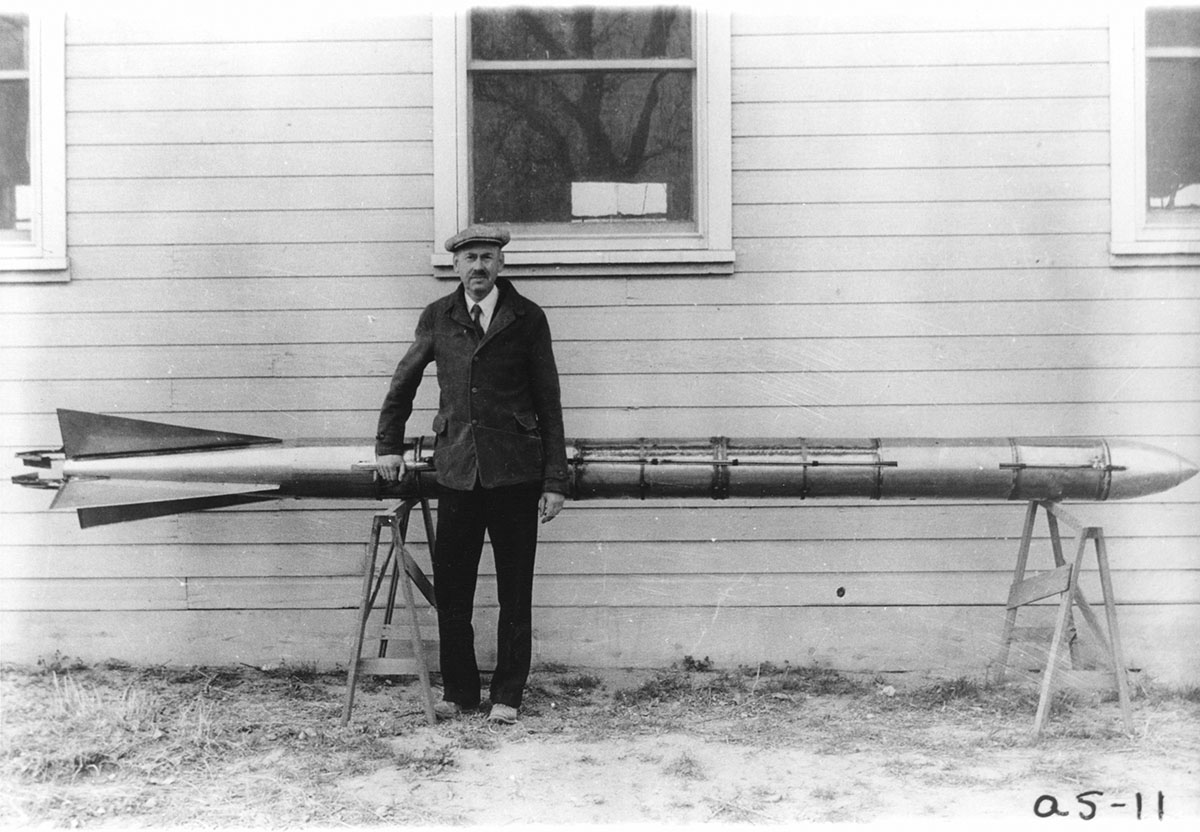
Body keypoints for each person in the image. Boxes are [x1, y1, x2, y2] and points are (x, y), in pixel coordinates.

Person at [375, 224, 569, 725]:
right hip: (457, 472)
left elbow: (549, 400)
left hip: (515, 475)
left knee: (515, 593)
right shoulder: (438, 317)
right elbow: (404, 381)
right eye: (469, 259)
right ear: (455, 266)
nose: (478, 267)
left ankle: (507, 695)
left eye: (487, 257)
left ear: (500, 263)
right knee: (454, 592)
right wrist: (388, 446)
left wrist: (554, 480)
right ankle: (460, 691)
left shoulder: (527, 318)